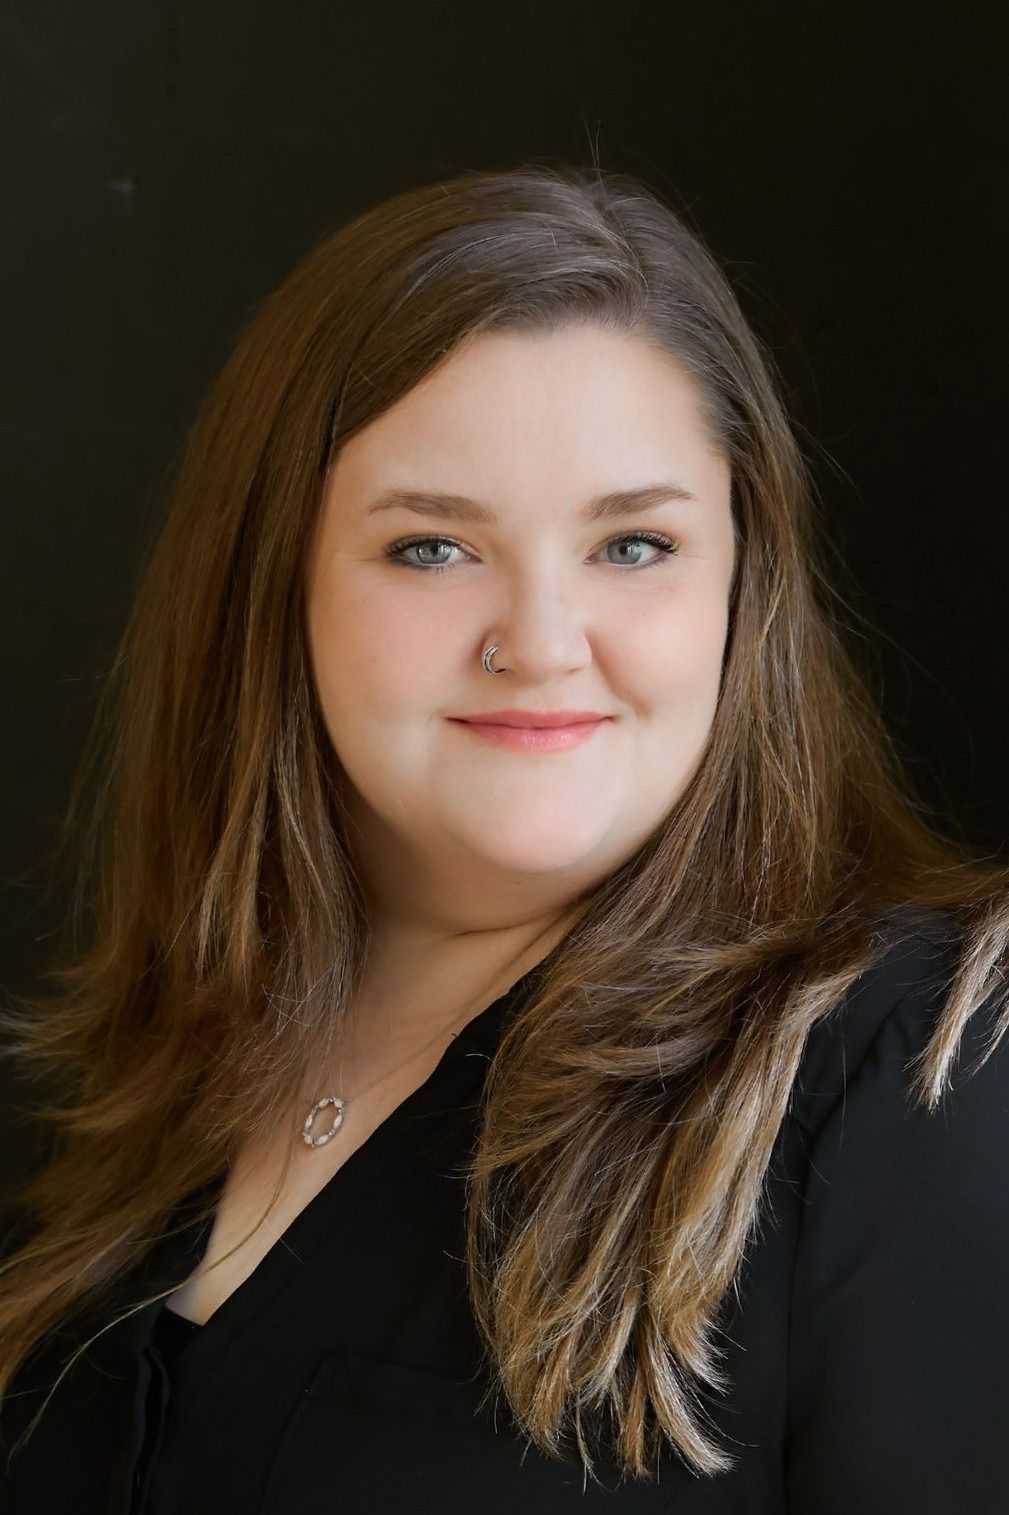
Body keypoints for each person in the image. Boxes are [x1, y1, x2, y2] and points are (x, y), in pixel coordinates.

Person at [0, 160, 1007, 1515]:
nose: (538, 642)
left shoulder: (913, 1078)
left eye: (632, 546)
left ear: (740, 585)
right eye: (430, 548)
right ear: (273, 582)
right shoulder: (170, 1064)